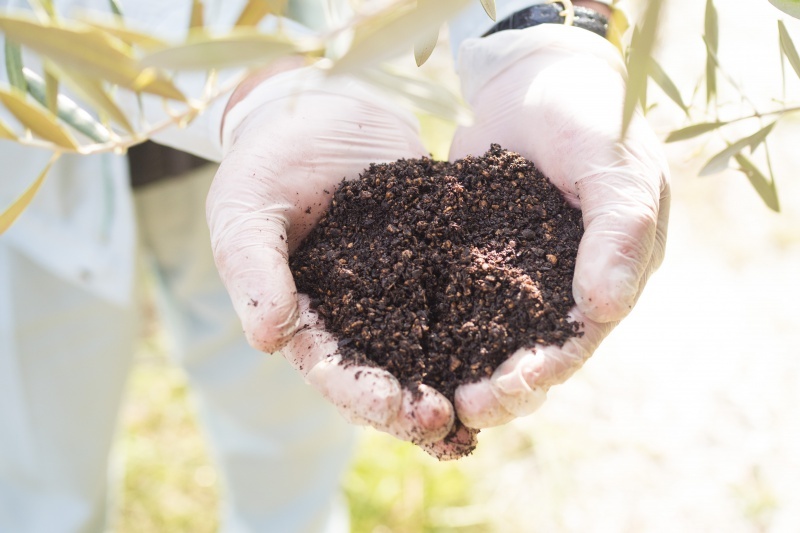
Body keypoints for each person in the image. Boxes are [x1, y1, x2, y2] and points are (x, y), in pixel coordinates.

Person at [0, 0, 670, 531]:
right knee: (37, 458)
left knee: (286, 438)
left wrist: (547, 34)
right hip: (31, 137)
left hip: (290, 141)